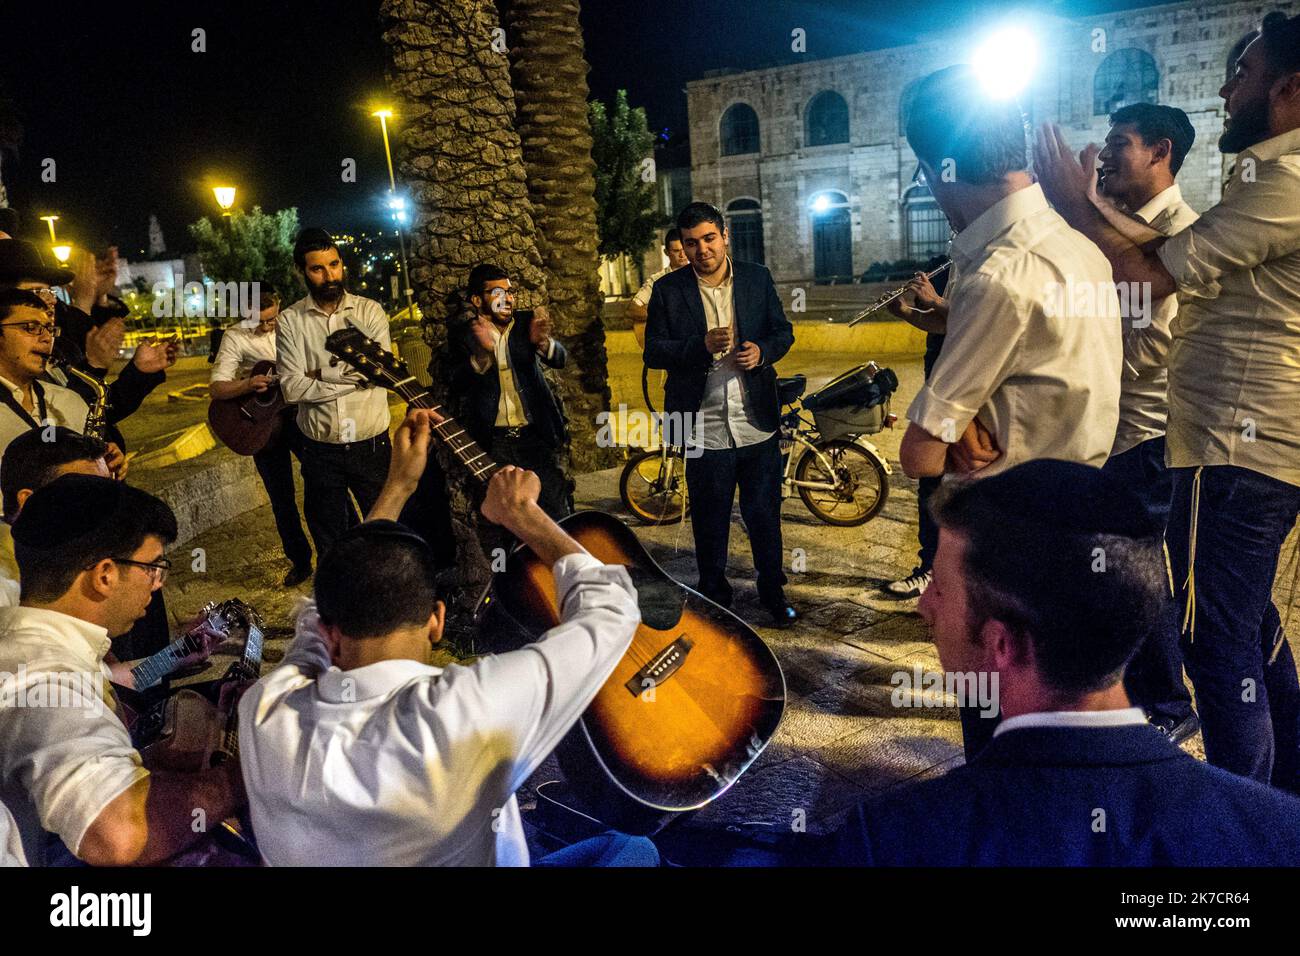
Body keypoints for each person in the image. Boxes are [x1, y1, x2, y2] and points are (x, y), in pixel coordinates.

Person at [1033, 12, 1300, 792]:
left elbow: (1150, 279)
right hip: (1234, 446)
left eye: (1243, 72)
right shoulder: (1267, 180)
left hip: (1233, 449)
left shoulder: (1285, 182)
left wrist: (1074, 202)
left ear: (1291, 90)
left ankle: (1244, 820)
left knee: (1213, 643)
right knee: (1249, 626)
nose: (1226, 86)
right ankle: (1282, 796)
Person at [238, 409, 657, 866]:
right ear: (437, 621)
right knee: (634, 849)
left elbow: (326, 603)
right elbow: (614, 607)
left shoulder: (266, 710)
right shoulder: (470, 708)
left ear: (329, 635)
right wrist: (523, 515)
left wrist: (398, 486)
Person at [834, 460, 1300, 866]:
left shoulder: (896, 839)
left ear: (1002, 645)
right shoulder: (1276, 829)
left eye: (938, 587)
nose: (924, 607)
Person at [0, 475, 246, 865]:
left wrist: (177, 656)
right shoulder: (45, 682)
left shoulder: (26, 637)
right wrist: (239, 778)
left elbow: (112, 682)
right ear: (105, 575)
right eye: (153, 568)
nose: (157, 584)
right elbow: (118, 835)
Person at [897, 64, 1123, 488]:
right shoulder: (1081, 249)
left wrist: (949, 428)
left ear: (933, 171)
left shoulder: (999, 275)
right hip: (1072, 501)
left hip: (1011, 522)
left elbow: (918, 456)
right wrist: (963, 418)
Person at [1090, 103, 1201, 744]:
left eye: (1119, 143)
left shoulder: (1178, 234)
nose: (1104, 155)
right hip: (1111, 427)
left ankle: (1167, 704)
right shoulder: (1119, 229)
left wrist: (1074, 349)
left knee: (1140, 568)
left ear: (1160, 151)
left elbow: (1153, 350)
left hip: (1145, 432)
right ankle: (1133, 692)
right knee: (1118, 565)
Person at [643, 201, 797, 626]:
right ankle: (714, 594)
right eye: (691, 243)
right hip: (703, 427)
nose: (702, 250)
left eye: (709, 238)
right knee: (709, 520)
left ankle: (773, 590)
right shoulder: (668, 290)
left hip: (756, 424)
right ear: (682, 247)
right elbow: (653, 351)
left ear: (724, 236)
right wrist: (700, 345)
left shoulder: (756, 278)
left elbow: (783, 332)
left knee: (764, 515)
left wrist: (763, 351)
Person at [275, 228, 394, 558]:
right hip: (319, 451)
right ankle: (342, 607)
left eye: (334, 264)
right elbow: (291, 387)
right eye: (317, 268)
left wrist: (319, 373)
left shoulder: (369, 312)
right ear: (302, 272)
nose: (329, 275)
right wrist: (354, 376)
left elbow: (379, 372)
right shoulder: (290, 321)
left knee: (386, 534)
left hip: (372, 446)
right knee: (331, 542)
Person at [0, 239, 175, 453]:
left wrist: (139, 373)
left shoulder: (59, 348)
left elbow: (95, 411)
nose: (51, 301)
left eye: (51, 292)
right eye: (38, 292)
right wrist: (94, 365)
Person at [449, 263, 571, 520]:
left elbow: (560, 359)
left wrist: (544, 342)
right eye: (497, 293)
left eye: (510, 292)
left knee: (556, 511)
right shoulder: (465, 334)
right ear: (477, 300)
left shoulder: (527, 324)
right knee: (505, 518)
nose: (507, 299)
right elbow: (456, 382)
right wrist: (482, 357)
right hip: (494, 443)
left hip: (535, 437)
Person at [210, 287, 313, 586]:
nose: (268, 326)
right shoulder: (235, 337)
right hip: (262, 423)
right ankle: (300, 560)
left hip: (299, 415)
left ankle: (338, 549)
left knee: (322, 480)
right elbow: (217, 388)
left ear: (279, 305)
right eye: (260, 321)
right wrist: (248, 384)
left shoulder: (295, 325)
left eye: (272, 319)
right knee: (281, 496)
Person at [879, 261, 952, 599]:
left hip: (973, 392)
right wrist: (905, 311)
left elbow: (987, 320)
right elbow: (942, 326)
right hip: (939, 387)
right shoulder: (956, 262)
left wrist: (937, 301)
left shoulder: (996, 258)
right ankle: (929, 571)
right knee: (930, 484)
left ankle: (971, 584)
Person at [627, 228, 690, 326]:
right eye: (676, 251)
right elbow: (633, 309)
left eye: (684, 249)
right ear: (666, 252)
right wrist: (663, 319)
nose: (682, 255)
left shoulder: (699, 273)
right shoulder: (657, 279)